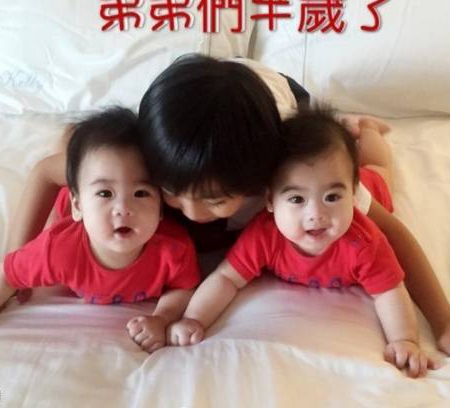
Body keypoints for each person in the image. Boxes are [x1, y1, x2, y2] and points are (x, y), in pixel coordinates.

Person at [4, 54, 450, 377]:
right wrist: (14, 264)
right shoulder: (149, 153)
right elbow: (45, 175)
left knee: (349, 159)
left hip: (280, 98)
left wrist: (446, 322)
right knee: (78, 145)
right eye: (172, 193)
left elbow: (390, 229)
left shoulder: (281, 170)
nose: (192, 213)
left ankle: (359, 129)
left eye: (216, 200)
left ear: (261, 189)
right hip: (205, 103)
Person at [167, 110, 436, 378]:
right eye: (297, 200)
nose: (316, 214)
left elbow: (389, 291)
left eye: (332, 197)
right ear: (270, 201)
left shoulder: (363, 242)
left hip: (370, 184)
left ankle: (368, 129)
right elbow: (226, 278)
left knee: (377, 168)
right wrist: (194, 318)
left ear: (353, 194)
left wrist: (404, 339)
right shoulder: (264, 236)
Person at [0, 107, 200, 353]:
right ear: (78, 205)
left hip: (85, 203)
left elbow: (183, 287)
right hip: (68, 212)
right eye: (106, 193)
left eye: (141, 193)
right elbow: (5, 275)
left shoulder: (174, 250)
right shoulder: (56, 250)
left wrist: (161, 318)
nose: (123, 208)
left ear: (161, 209)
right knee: (70, 180)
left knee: (94, 165)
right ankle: (69, 139)